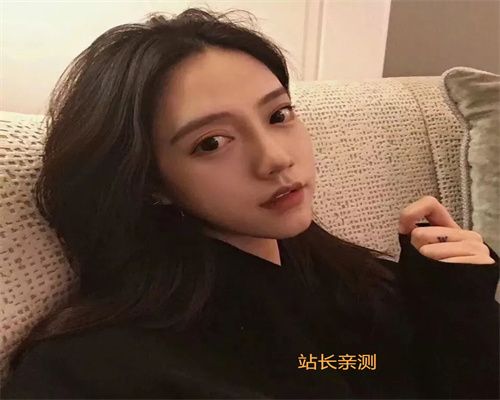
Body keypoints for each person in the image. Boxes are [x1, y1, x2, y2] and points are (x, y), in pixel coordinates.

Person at [2, 7, 498, 399]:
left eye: (279, 115)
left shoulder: (343, 275)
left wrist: (454, 298)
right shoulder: (99, 368)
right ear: (150, 181)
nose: (276, 158)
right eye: (211, 143)